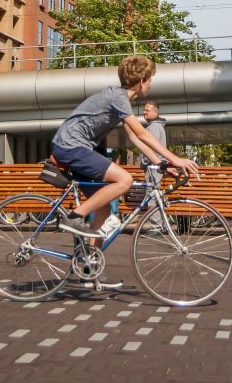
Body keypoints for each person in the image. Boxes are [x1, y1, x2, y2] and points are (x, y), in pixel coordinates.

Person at [51, 55, 199, 287]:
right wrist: (176, 159)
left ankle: (89, 269)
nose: (150, 85)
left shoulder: (119, 99)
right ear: (141, 81)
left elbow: (134, 139)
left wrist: (162, 164)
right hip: (71, 146)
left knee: (103, 212)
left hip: (75, 147)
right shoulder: (118, 97)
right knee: (124, 179)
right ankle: (74, 217)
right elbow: (142, 134)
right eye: (150, 80)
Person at [140, 101, 166, 230]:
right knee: (155, 195)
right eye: (144, 110)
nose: (144, 112)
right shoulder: (156, 126)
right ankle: (160, 225)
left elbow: (151, 148)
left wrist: (144, 162)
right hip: (156, 166)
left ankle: (156, 227)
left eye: (147, 110)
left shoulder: (153, 127)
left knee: (151, 195)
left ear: (155, 113)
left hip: (153, 167)